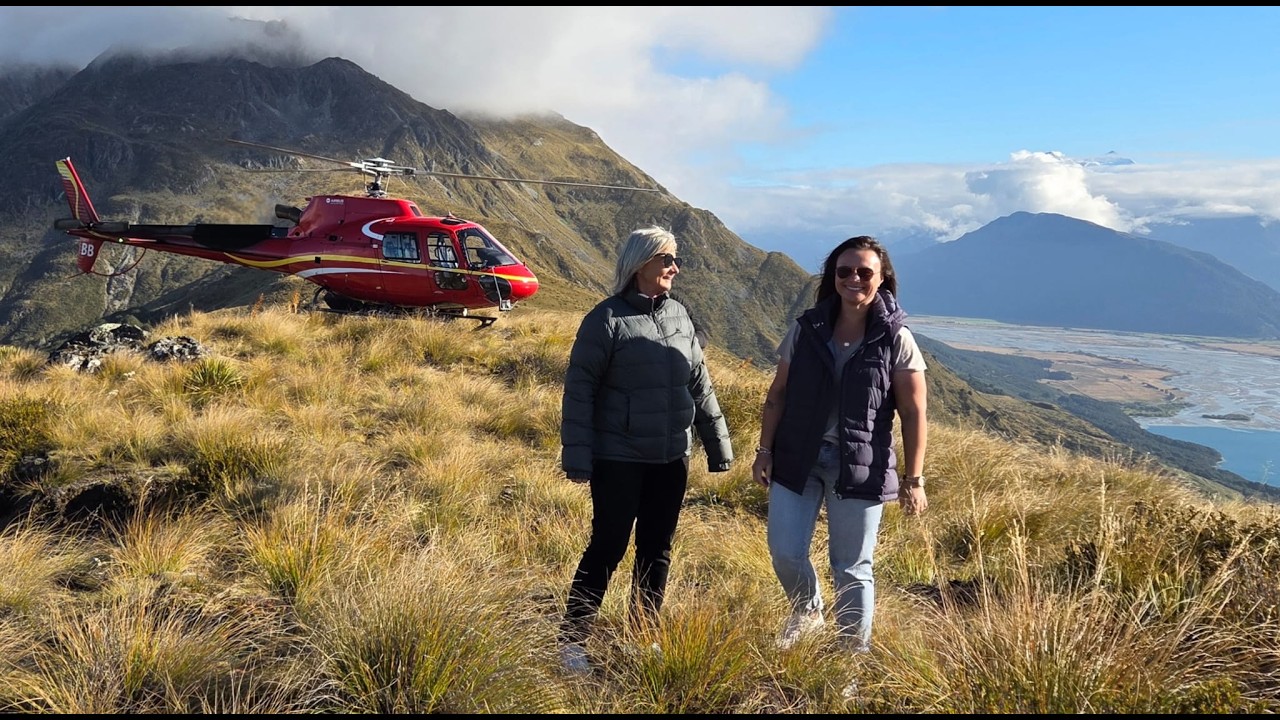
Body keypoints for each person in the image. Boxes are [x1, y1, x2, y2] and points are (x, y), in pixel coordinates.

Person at [557, 225, 734, 675]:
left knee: (657, 549)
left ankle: (642, 635)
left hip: (671, 458)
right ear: (641, 264)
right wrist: (577, 457)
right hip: (618, 459)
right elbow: (580, 392)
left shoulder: (679, 314)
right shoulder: (605, 320)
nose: (675, 268)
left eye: (675, 260)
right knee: (608, 546)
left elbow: (699, 381)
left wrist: (718, 444)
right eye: (667, 259)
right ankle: (572, 642)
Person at [751, 234, 928, 663]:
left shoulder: (896, 338)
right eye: (844, 271)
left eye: (864, 272)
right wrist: (764, 450)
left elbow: (914, 411)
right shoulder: (807, 329)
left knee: (851, 569)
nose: (853, 279)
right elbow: (778, 395)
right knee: (785, 552)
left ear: (881, 278)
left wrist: (913, 479)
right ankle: (808, 609)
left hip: (862, 467)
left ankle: (847, 662)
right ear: (833, 277)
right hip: (799, 458)